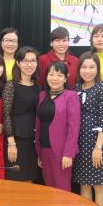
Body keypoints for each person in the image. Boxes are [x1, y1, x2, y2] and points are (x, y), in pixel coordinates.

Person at [73, 52, 103, 206]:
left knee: (98, 183)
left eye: (92, 67)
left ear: (98, 69)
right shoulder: (76, 88)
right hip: (80, 142)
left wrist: (98, 147)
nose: (87, 71)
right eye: (84, 67)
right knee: (84, 183)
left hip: (97, 141)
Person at [35, 61, 81, 191]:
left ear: (65, 78)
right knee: (49, 189)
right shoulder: (42, 95)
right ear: (46, 77)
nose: (55, 78)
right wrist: (39, 153)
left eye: (59, 75)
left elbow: (73, 128)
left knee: (62, 190)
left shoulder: (71, 96)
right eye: (51, 74)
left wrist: (68, 153)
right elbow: (39, 123)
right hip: (44, 149)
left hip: (61, 152)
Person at [2, 46, 41, 182]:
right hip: (16, 139)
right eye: (25, 61)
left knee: (29, 179)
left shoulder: (37, 86)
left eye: (33, 61)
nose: (29, 64)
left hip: (32, 140)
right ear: (18, 63)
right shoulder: (11, 85)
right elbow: (6, 115)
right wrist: (11, 142)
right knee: (15, 180)